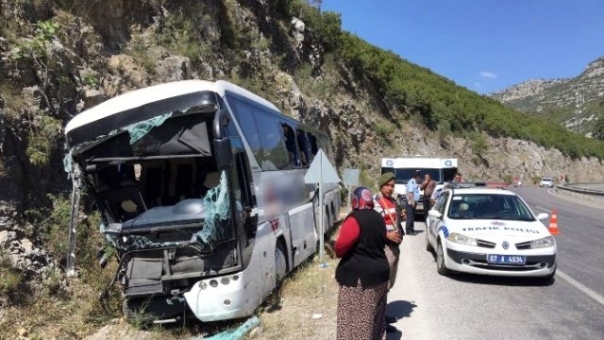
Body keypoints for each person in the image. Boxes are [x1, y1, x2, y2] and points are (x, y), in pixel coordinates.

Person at [335, 186, 390, 340]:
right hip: (380, 275)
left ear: (355, 201)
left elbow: (340, 248)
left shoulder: (354, 219)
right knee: (375, 321)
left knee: (358, 325)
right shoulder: (378, 217)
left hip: (360, 280)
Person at [373, 172, 405, 332]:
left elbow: (393, 220)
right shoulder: (375, 203)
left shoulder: (393, 201)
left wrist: (400, 216)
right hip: (382, 247)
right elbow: (371, 227)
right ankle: (379, 322)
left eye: (392, 186)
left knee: (388, 284)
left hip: (394, 248)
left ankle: (382, 315)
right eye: (388, 185)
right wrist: (387, 235)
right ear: (381, 185)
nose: (390, 188)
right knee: (381, 284)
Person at [405, 171, 421, 235]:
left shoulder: (414, 182)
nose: (419, 178)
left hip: (413, 201)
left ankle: (411, 229)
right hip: (410, 202)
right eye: (419, 177)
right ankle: (408, 230)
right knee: (410, 217)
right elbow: (410, 193)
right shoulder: (412, 182)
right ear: (417, 176)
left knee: (412, 216)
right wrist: (412, 201)